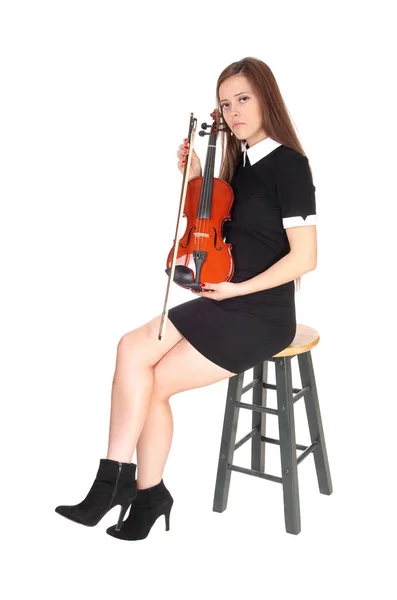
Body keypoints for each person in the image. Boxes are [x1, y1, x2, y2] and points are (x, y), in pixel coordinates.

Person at [55, 56, 317, 541]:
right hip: (225, 298)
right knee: (132, 347)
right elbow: (211, 224)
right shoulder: (239, 166)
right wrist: (197, 175)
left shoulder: (290, 166)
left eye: (243, 98)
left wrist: (238, 289)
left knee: (153, 384)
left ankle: (145, 491)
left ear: (266, 99)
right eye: (225, 103)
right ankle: (114, 479)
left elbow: (305, 259)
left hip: (261, 312)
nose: (234, 111)